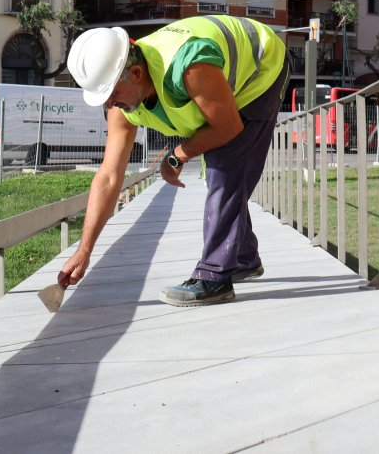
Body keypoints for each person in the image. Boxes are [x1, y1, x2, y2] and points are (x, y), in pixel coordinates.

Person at [58, 15, 288, 306]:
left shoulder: (189, 66)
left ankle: (214, 277)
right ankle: (243, 258)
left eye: (111, 94)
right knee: (220, 170)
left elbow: (228, 126)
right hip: (219, 80)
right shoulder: (122, 104)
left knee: (223, 167)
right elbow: (108, 175)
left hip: (262, 69)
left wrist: (177, 156)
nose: (109, 104)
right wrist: (84, 249)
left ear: (137, 73)